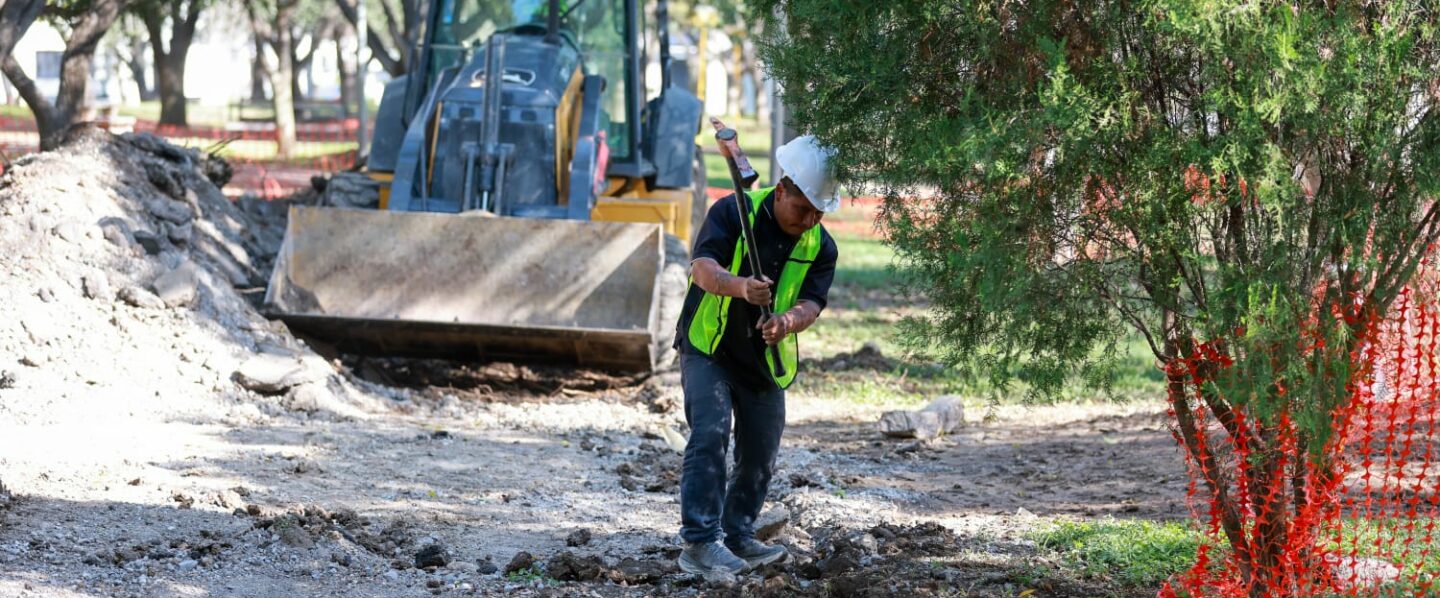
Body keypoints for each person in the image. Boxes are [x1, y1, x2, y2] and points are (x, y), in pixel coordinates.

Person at [673, 135, 842, 574]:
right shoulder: (732, 212)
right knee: (710, 434)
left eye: (818, 212)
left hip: (764, 359)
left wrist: (786, 321)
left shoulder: (821, 246)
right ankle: (699, 543)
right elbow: (703, 269)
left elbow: (812, 303)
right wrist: (741, 286)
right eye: (801, 208)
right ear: (782, 188)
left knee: (761, 449)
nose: (809, 220)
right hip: (708, 346)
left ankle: (738, 534)